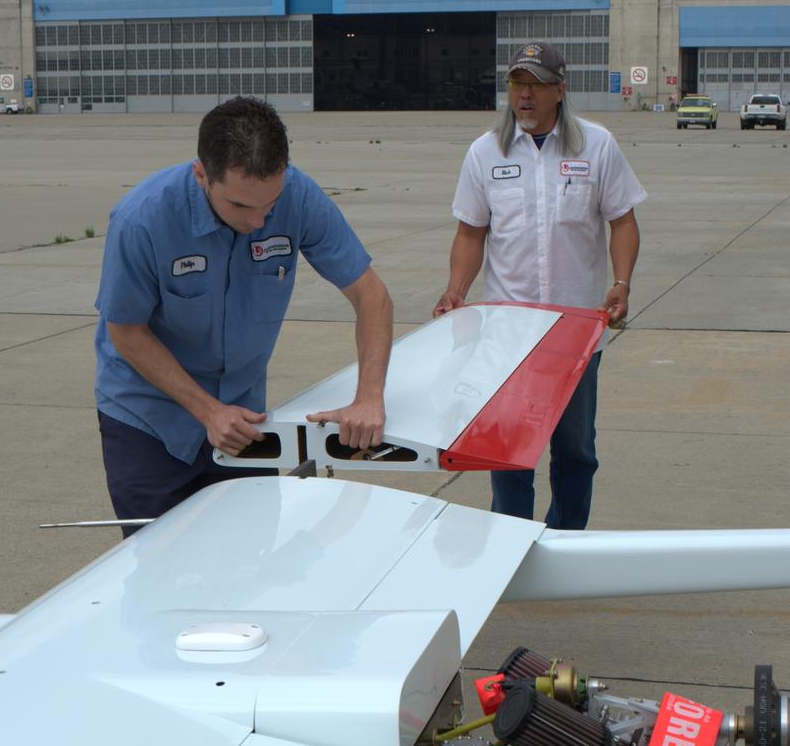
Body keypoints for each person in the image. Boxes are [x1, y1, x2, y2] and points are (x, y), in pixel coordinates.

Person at [95, 96, 393, 529]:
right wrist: (209, 411)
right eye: (240, 206)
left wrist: (369, 397)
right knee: (163, 576)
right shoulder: (142, 220)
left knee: (249, 560)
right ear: (202, 175)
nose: (259, 220)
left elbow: (372, 296)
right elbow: (126, 332)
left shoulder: (298, 195)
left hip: (245, 422)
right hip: (149, 423)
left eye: (269, 204)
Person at [433, 42, 646, 529]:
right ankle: (511, 542)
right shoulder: (485, 153)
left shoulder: (596, 146)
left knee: (575, 450)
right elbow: (471, 232)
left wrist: (621, 282)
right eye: (516, 84)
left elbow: (623, 220)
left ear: (560, 90)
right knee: (509, 450)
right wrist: (455, 290)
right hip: (509, 334)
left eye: (536, 84)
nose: (524, 95)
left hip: (576, 332)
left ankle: (565, 540)